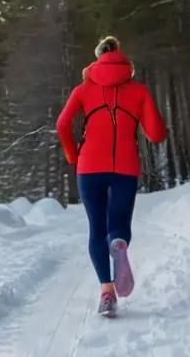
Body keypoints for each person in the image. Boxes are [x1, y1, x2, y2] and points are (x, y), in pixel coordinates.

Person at [56, 36, 166, 317]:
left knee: (96, 226)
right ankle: (118, 242)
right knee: (117, 225)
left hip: (89, 167)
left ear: (97, 59)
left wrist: (72, 155)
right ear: (124, 60)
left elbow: (62, 124)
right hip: (125, 169)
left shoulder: (83, 89)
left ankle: (107, 292)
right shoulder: (138, 91)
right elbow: (156, 135)